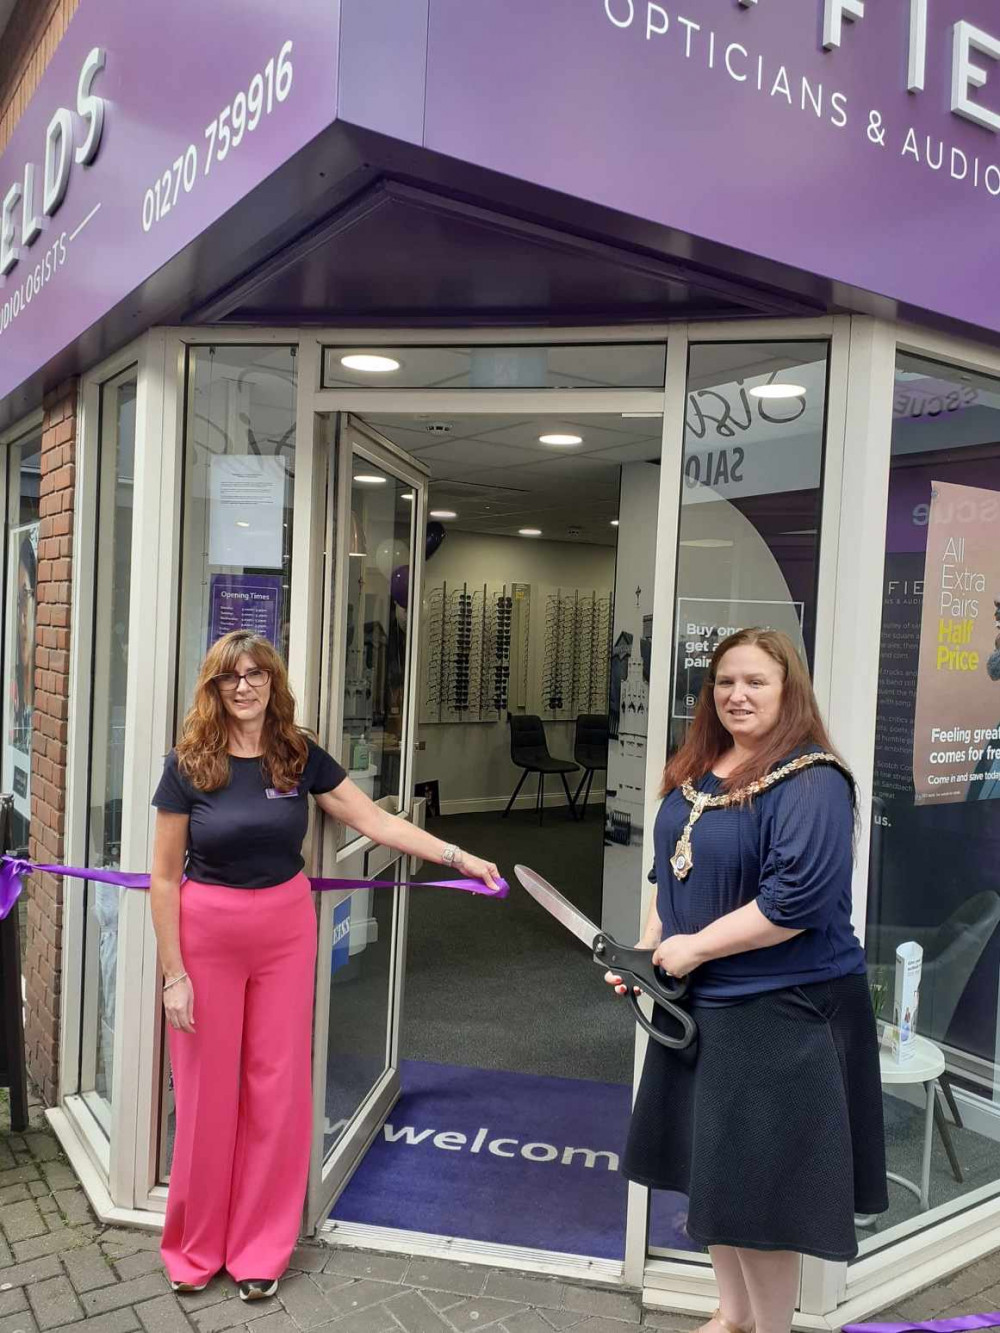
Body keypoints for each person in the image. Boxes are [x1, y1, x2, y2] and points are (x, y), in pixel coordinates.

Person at [150, 630, 500, 1302]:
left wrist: (457, 856)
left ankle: (260, 1247)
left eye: (256, 674)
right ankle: (195, 1247)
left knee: (276, 1089)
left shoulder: (296, 754)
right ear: (214, 687)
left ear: (273, 683)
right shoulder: (188, 763)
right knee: (204, 1095)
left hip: (283, 932)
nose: (245, 686)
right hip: (206, 936)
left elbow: (377, 822)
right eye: (231, 676)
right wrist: (174, 973)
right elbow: (164, 879)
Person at [607, 627, 887, 1333]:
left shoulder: (812, 778)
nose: (737, 694)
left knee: (761, 1204)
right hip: (704, 1008)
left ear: (788, 687)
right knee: (720, 1182)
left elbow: (793, 905)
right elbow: (669, 866)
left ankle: (769, 1329)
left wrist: (692, 948)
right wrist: (650, 949)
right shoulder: (703, 764)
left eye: (756, 681)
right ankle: (733, 1315)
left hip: (781, 1015)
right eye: (725, 680)